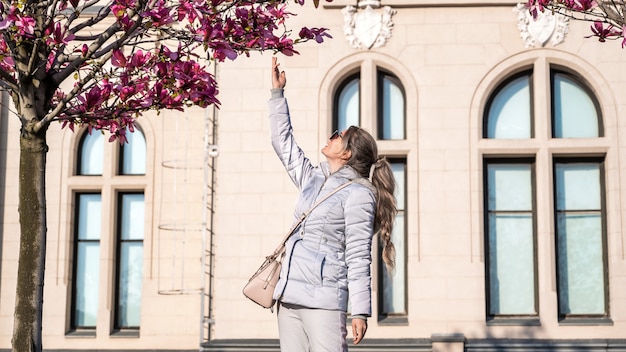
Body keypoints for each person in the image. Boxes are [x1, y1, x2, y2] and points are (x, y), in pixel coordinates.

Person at [268, 57, 397, 352]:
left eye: (339, 135)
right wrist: (278, 95)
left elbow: (358, 255)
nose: (331, 136)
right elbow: (283, 144)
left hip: (324, 301)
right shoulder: (314, 178)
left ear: (348, 153)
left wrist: (360, 311)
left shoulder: (360, 194)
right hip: (288, 297)